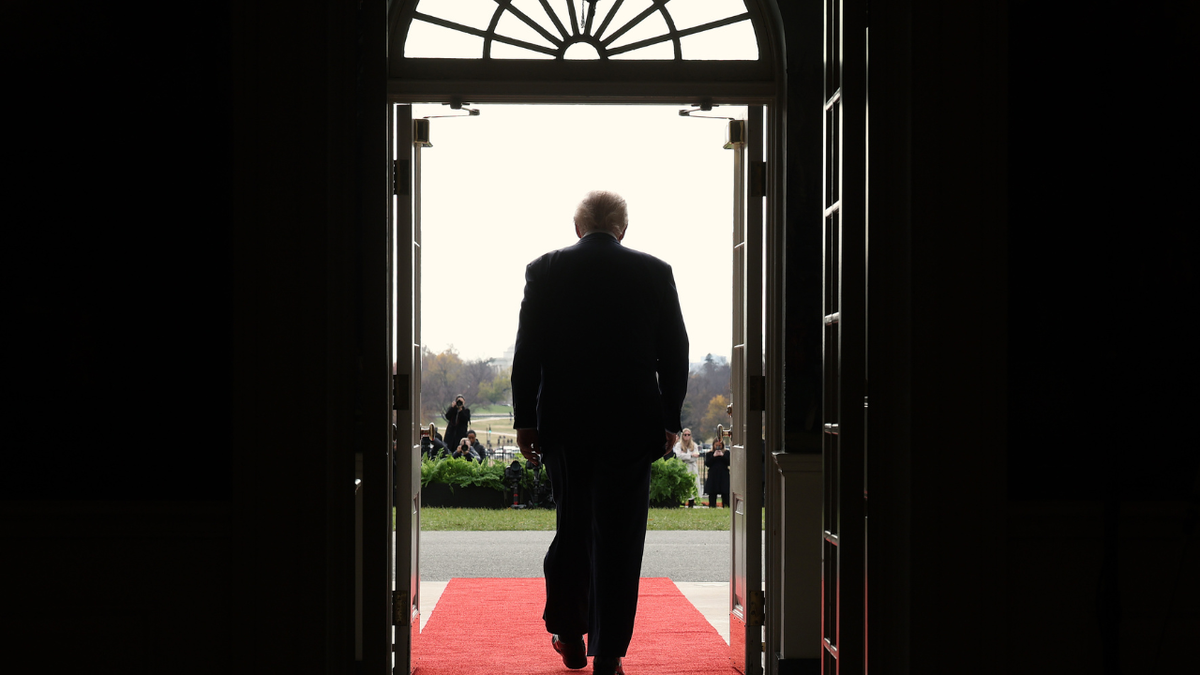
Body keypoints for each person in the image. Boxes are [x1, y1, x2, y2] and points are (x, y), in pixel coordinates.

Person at [513, 190, 689, 675]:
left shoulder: (544, 270)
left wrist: (526, 418)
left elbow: (528, 352)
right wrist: (670, 419)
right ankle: (608, 654)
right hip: (632, 424)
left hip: (566, 424)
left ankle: (569, 635)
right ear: (623, 229)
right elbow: (675, 353)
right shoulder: (656, 272)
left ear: (577, 228)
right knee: (620, 537)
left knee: (572, 528)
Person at [672, 428, 701, 500]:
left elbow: (695, 457)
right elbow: (678, 456)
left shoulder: (694, 445)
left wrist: (685, 455)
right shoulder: (678, 445)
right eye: (685, 435)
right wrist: (690, 455)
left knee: (693, 484)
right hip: (683, 467)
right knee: (683, 485)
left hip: (692, 468)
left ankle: (691, 502)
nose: (687, 436)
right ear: (682, 436)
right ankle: (682, 502)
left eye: (688, 435)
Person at [703, 439, 730, 508]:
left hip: (723, 475)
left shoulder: (726, 453)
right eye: (716, 445)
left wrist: (722, 456)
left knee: (725, 493)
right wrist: (714, 456)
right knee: (712, 493)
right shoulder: (709, 453)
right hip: (713, 475)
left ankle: (726, 506)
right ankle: (712, 506)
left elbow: (728, 462)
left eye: (720, 445)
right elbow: (707, 463)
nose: (718, 447)